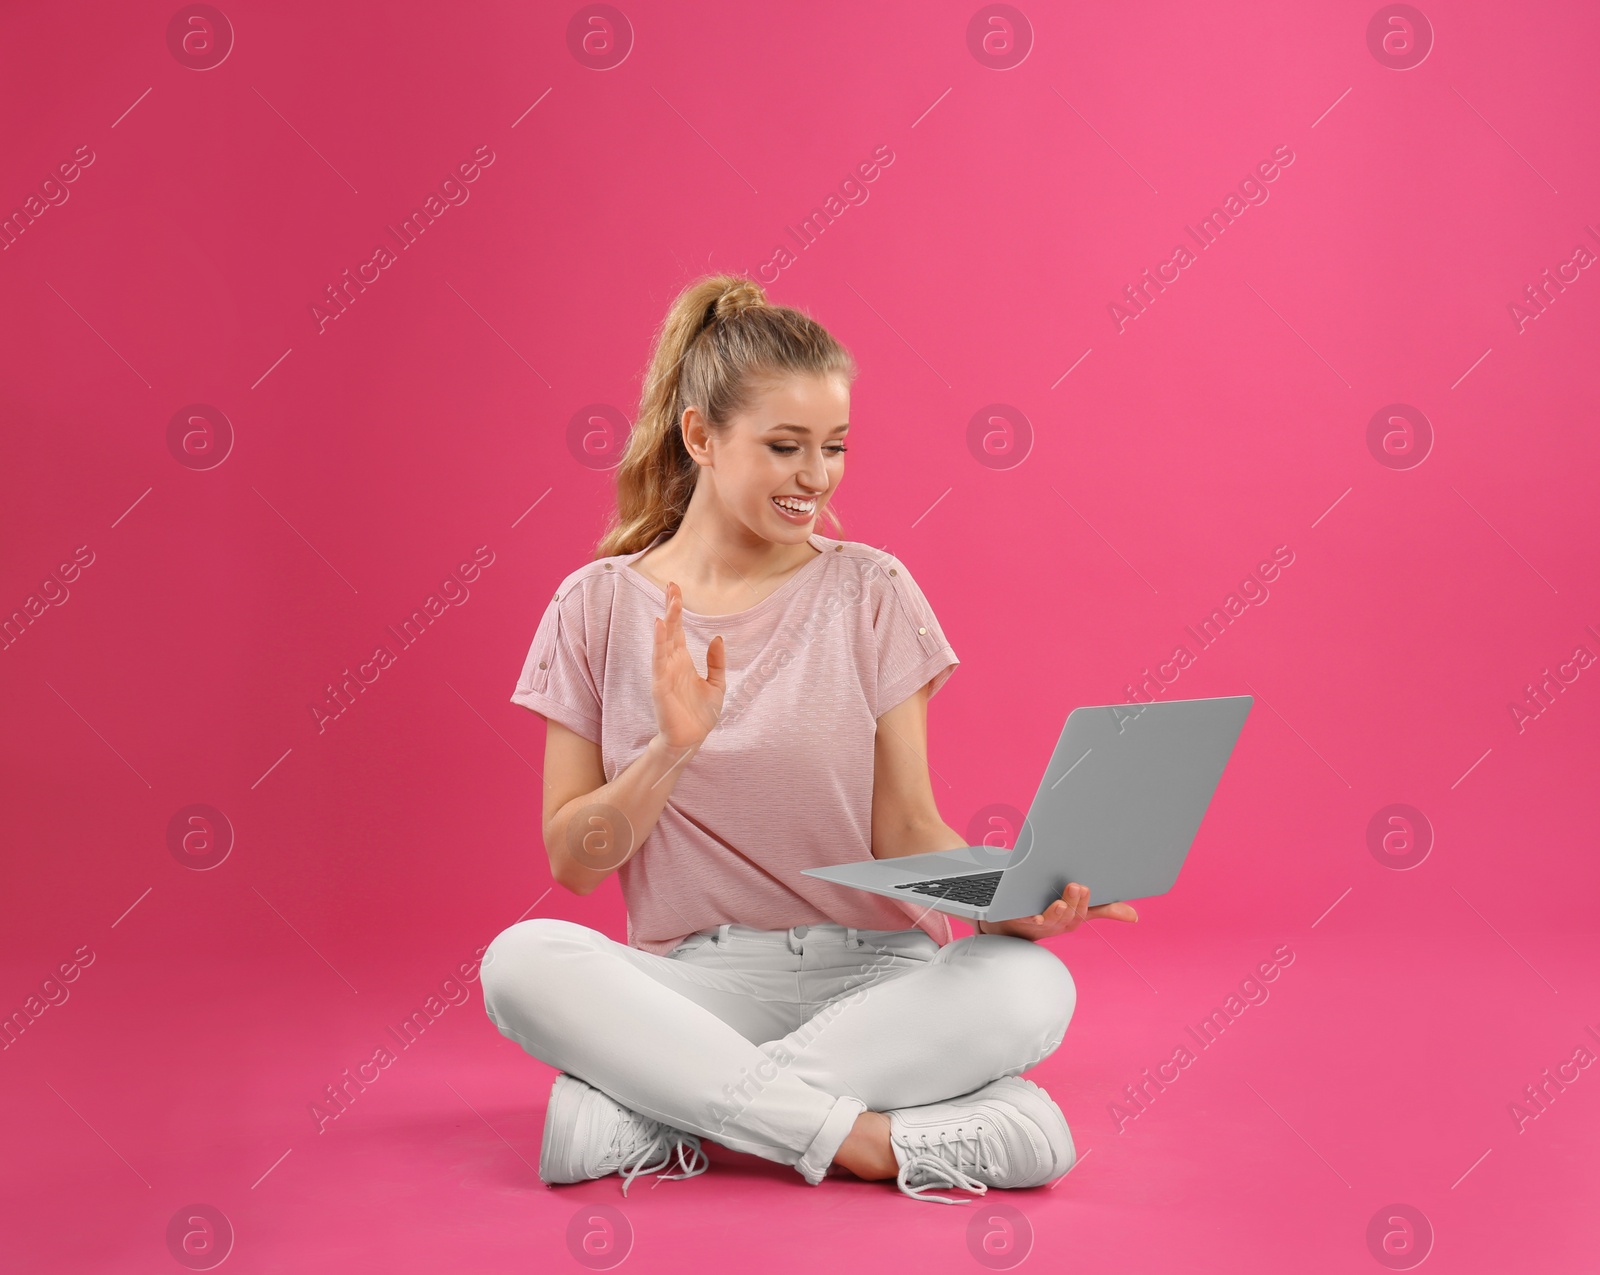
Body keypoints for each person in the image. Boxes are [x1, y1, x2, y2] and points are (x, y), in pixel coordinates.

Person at [480, 273, 1138, 1205]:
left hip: (884, 976)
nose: (816, 476)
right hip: (701, 982)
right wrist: (669, 748)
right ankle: (869, 1138)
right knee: (521, 962)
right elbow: (575, 864)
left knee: (1034, 986)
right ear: (700, 436)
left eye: (833, 447)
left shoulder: (872, 590)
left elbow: (906, 824)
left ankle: (669, 1111)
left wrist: (1005, 904)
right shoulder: (593, 607)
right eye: (785, 446)